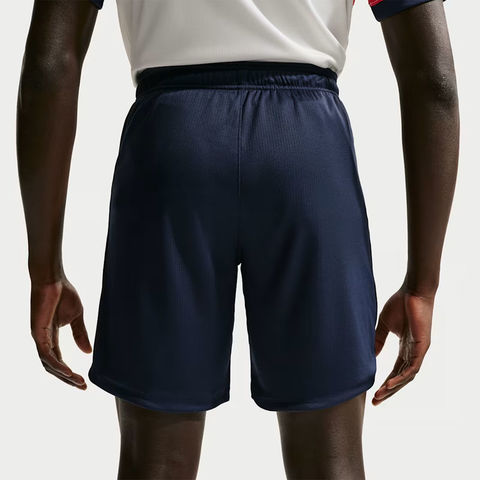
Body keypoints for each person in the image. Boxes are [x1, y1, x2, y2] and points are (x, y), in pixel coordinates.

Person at [16, 0, 458, 478]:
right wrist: (422, 285)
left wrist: (45, 269)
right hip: (307, 154)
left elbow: (50, 66)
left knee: (155, 463)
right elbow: (432, 82)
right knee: (332, 462)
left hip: (172, 147)